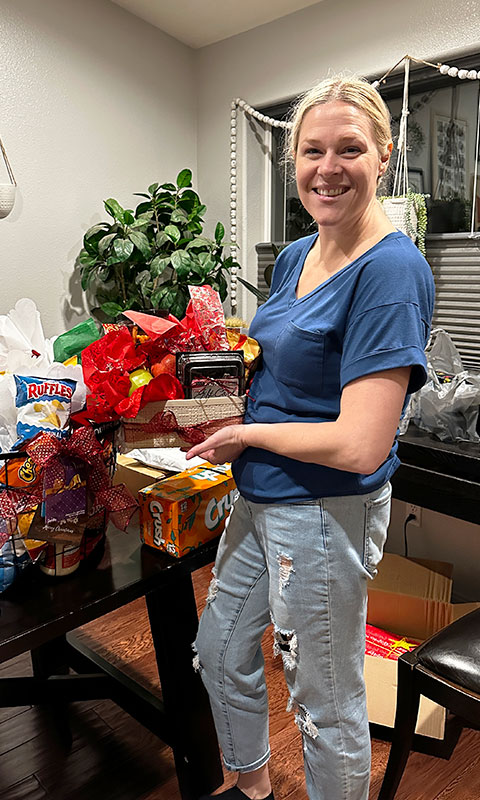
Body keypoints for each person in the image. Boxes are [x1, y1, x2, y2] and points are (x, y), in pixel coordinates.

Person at [186, 76, 435, 800]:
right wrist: (212, 398)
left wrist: (248, 432)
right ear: (293, 161)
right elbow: (284, 363)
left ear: (383, 156)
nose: (329, 168)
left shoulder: (391, 271)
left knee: (325, 707)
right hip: (260, 496)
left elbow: (360, 444)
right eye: (312, 150)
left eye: (350, 149)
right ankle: (253, 787)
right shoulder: (298, 254)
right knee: (220, 649)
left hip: (324, 512)